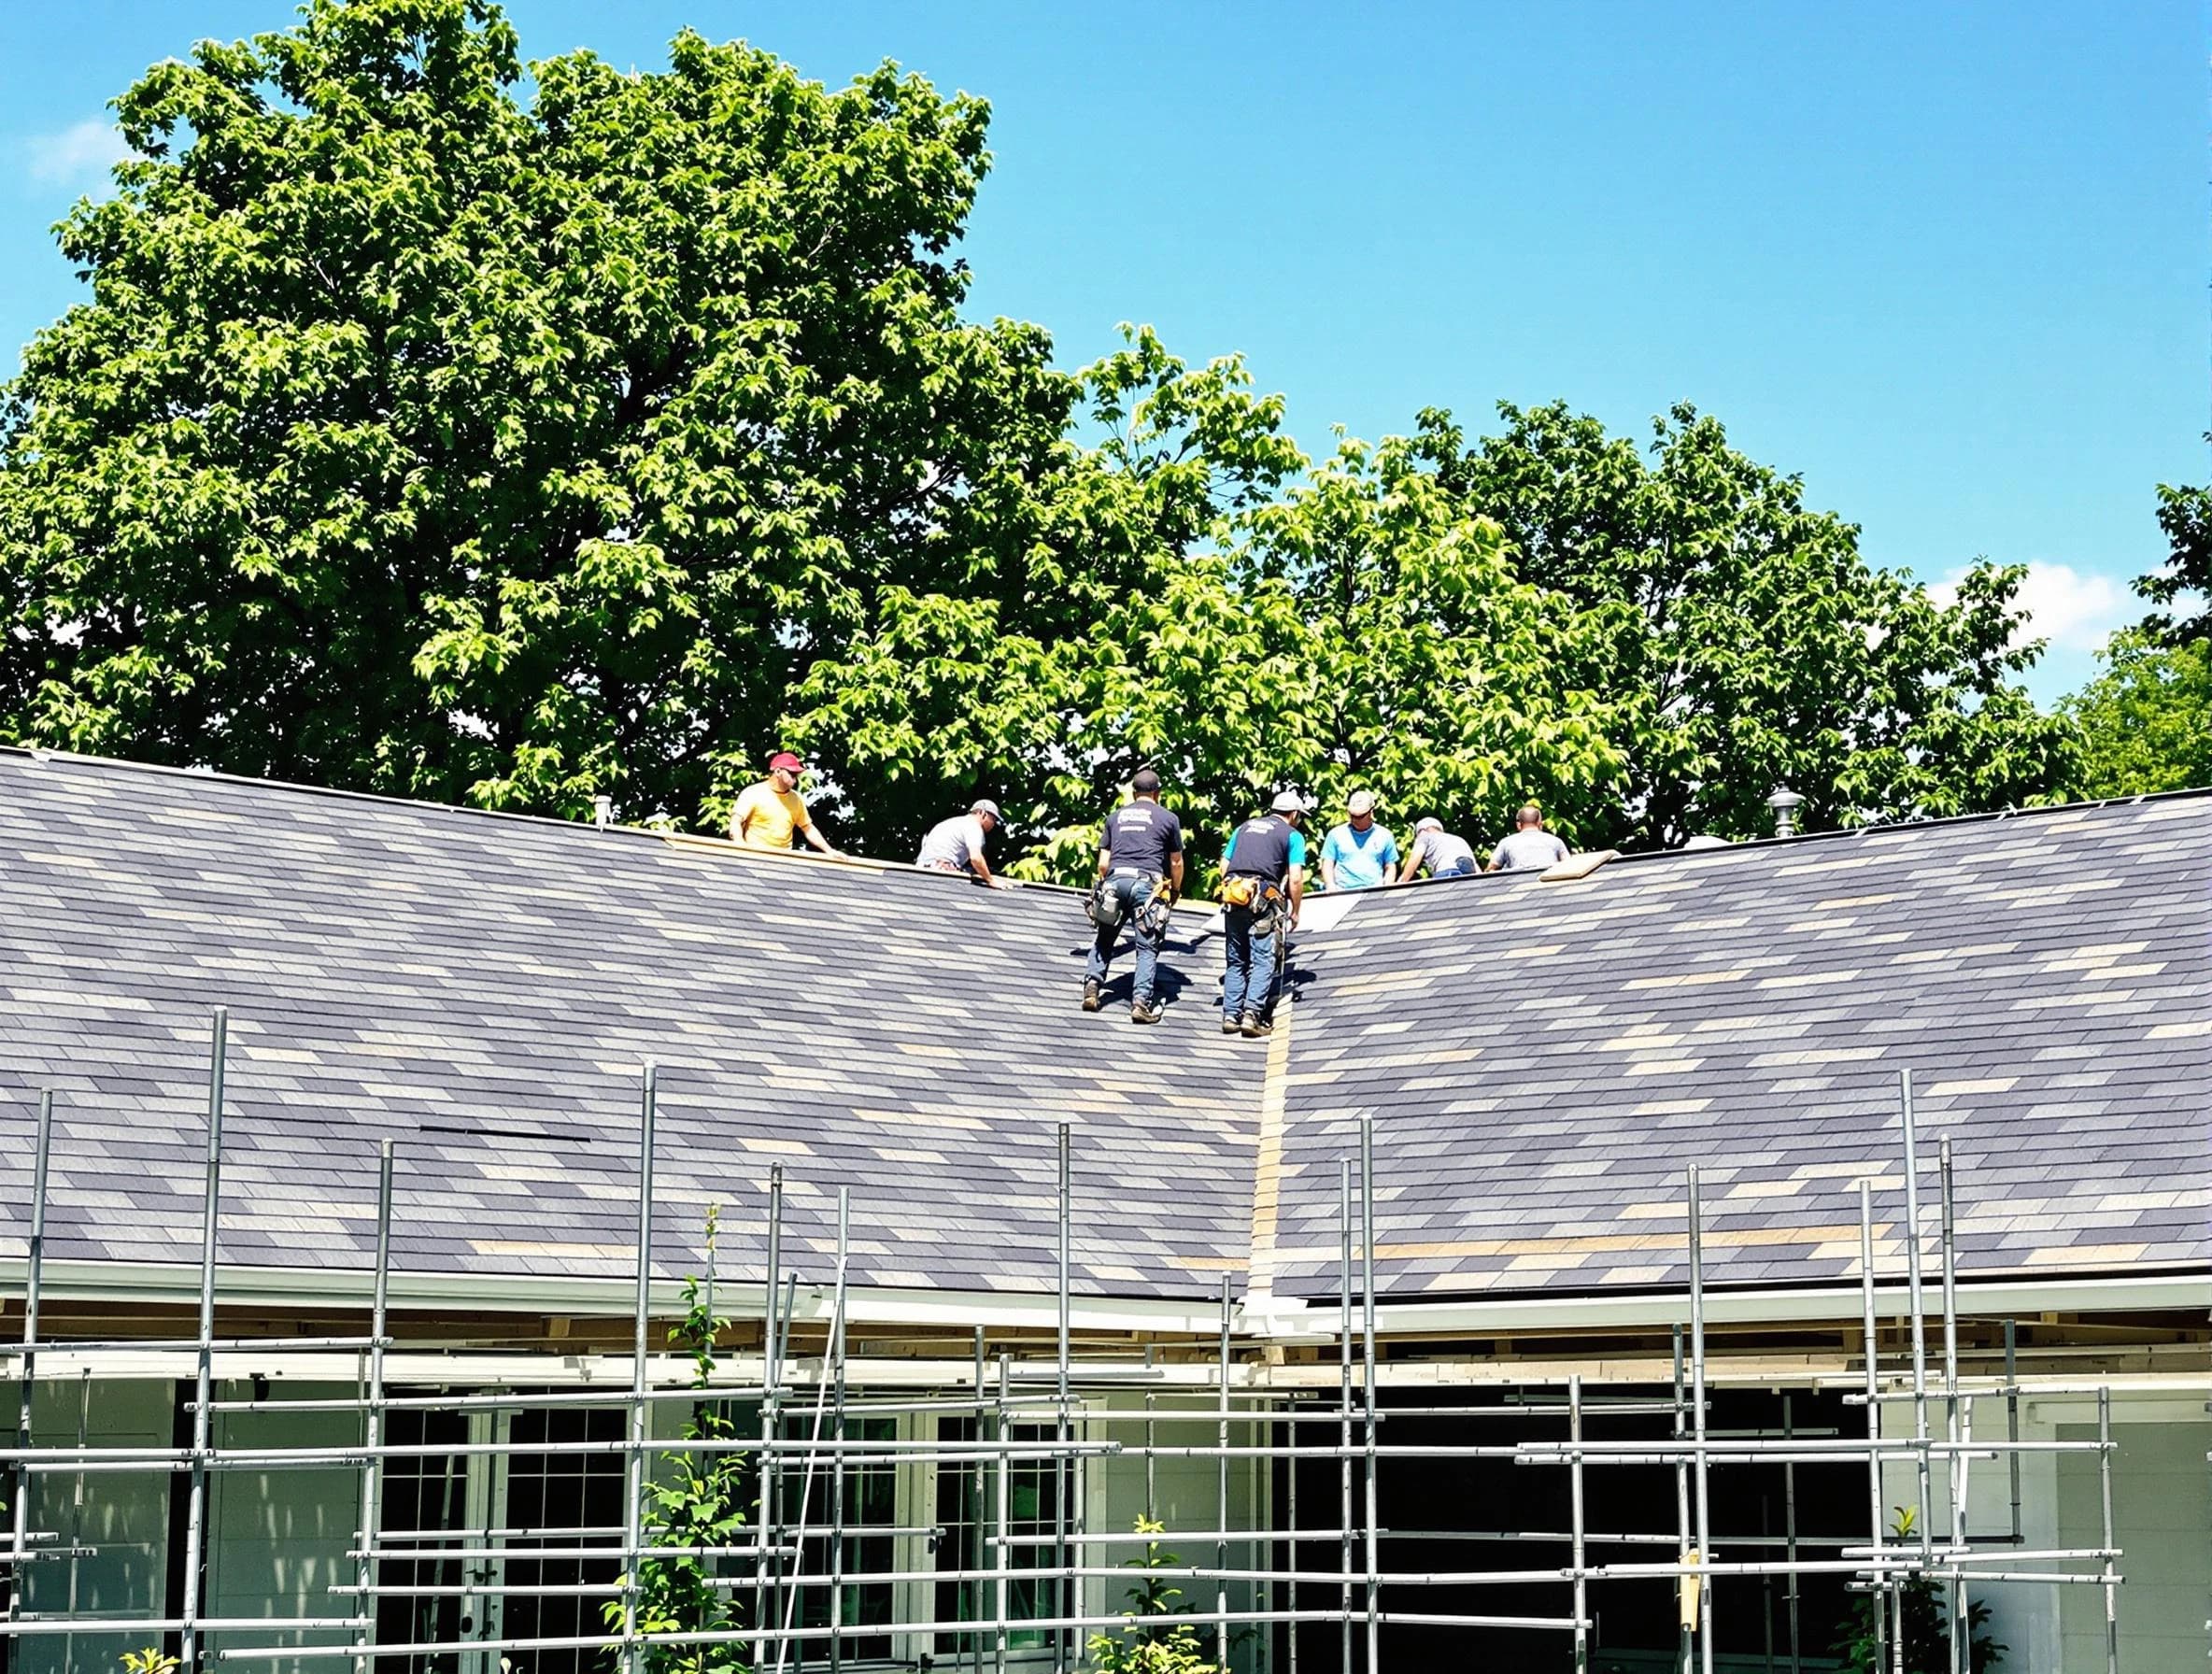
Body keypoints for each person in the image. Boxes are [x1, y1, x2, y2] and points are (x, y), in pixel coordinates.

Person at [1083, 769, 1184, 1023]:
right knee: (1147, 946)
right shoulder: (1168, 818)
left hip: (1115, 882)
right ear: (1157, 793)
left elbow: (1103, 864)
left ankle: (1092, 989)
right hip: (1147, 887)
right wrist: (1174, 890)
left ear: (1133, 792)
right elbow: (1176, 861)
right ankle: (1140, 1003)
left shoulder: (1114, 817)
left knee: (1105, 938)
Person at [1218, 790, 1307, 1039]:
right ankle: (1252, 1015)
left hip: (1234, 894)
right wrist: (1296, 911)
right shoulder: (1292, 835)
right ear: (1294, 814)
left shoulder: (1244, 827)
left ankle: (1230, 1015)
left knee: (1236, 959)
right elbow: (1296, 878)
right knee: (1263, 959)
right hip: (1264, 898)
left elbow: (1224, 865)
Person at [731, 751, 835, 854]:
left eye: (796, 775)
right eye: (792, 774)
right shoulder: (753, 792)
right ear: (778, 772)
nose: (795, 780)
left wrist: (829, 851)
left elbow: (808, 828)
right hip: (756, 856)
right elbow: (735, 821)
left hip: (783, 859)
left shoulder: (796, 799)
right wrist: (741, 846)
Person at [916, 800, 1014, 887]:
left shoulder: (954, 822)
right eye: (992, 819)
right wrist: (991, 880)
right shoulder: (973, 827)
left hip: (922, 868)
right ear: (982, 813)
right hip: (941, 871)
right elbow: (976, 858)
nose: (993, 824)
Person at [1317, 790, 1398, 890]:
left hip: (1374, 892)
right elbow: (1327, 863)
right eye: (1352, 815)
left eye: (1360, 817)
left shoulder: (1385, 835)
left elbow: (1390, 866)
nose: (1355, 820)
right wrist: (1330, 886)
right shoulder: (1335, 834)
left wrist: (1386, 888)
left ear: (1371, 812)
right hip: (1342, 891)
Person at [1486, 803, 1569, 872]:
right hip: (1548, 885)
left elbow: (1491, 868)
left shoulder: (1506, 842)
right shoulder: (1555, 841)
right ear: (1540, 824)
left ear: (1518, 825)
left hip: (1517, 886)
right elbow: (1568, 865)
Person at [1402, 816, 1478, 879]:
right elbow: (1476, 868)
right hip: (1469, 875)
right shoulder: (1459, 839)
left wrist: (1401, 883)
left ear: (1422, 830)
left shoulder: (1424, 836)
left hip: (1447, 872)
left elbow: (1414, 860)